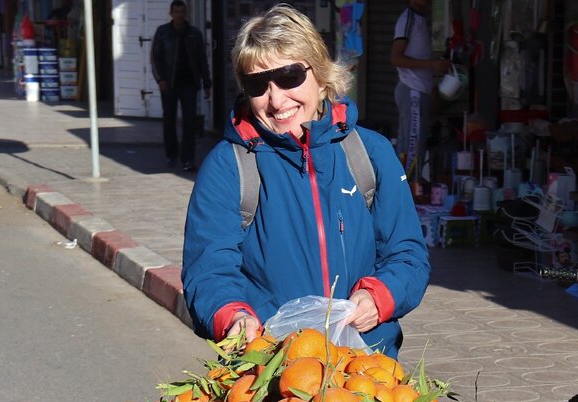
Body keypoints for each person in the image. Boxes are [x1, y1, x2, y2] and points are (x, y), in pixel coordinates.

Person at [181, 4, 429, 359]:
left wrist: (380, 296)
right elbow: (208, 269)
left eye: (289, 76)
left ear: (321, 73)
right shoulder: (229, 165)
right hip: (269, 376)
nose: (276, 99)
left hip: (366, 370)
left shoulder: (369, 153)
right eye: (257, 84)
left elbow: (408, 254)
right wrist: (233, 317)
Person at [391, 0, 450, 182]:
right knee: (411, 147)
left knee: (415, 146)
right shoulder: (408, 19)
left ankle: (409, 190)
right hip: (412, 90)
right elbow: (396, 58)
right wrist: (432, 65)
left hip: (419, 90)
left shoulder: (421, 19)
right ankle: (405, 193)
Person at [150, 0, 210, 172]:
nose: (179, 15)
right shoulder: (162, 32)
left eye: (182, 12)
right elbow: (155, 58)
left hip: (189, 83)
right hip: (168, 84)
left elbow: (202, 60)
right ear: (171, 13)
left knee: (189, 122)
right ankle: (171, 154)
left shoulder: (194, 34)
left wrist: (207, 83)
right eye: (176, 12)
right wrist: (160, 79)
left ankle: (188, 159)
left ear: (186, 13)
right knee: (169, 120)